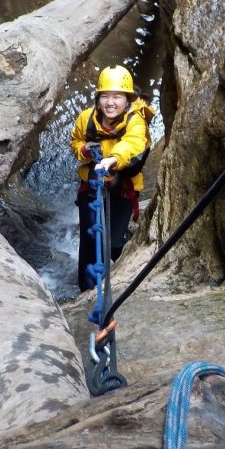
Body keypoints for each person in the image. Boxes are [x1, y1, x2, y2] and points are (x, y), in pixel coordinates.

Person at [71, 65, 155, 291]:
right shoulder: (86, 119)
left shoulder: (135, 121)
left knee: (114, 243)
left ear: (127, 100)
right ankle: (86, 291)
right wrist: (86, 151)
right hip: (92, 185)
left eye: (117, 96)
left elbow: (133, 143)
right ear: (98, 99)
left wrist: (113, 159)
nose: (110, 102)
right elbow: (76, 143)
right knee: (89, 242)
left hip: (122, 187)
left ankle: (125, 282)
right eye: (105, 96)